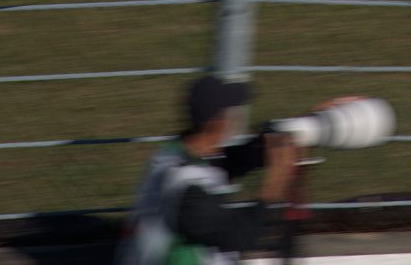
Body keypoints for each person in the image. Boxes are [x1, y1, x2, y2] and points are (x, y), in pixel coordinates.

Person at [118, 75, 302, 265]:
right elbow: (240, 237)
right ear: (217, 122)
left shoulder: (172, 155)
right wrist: (274, 184)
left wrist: (267, 143)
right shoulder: (191, 194)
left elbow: (226, 164)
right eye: (230, 112)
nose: (235, 118)